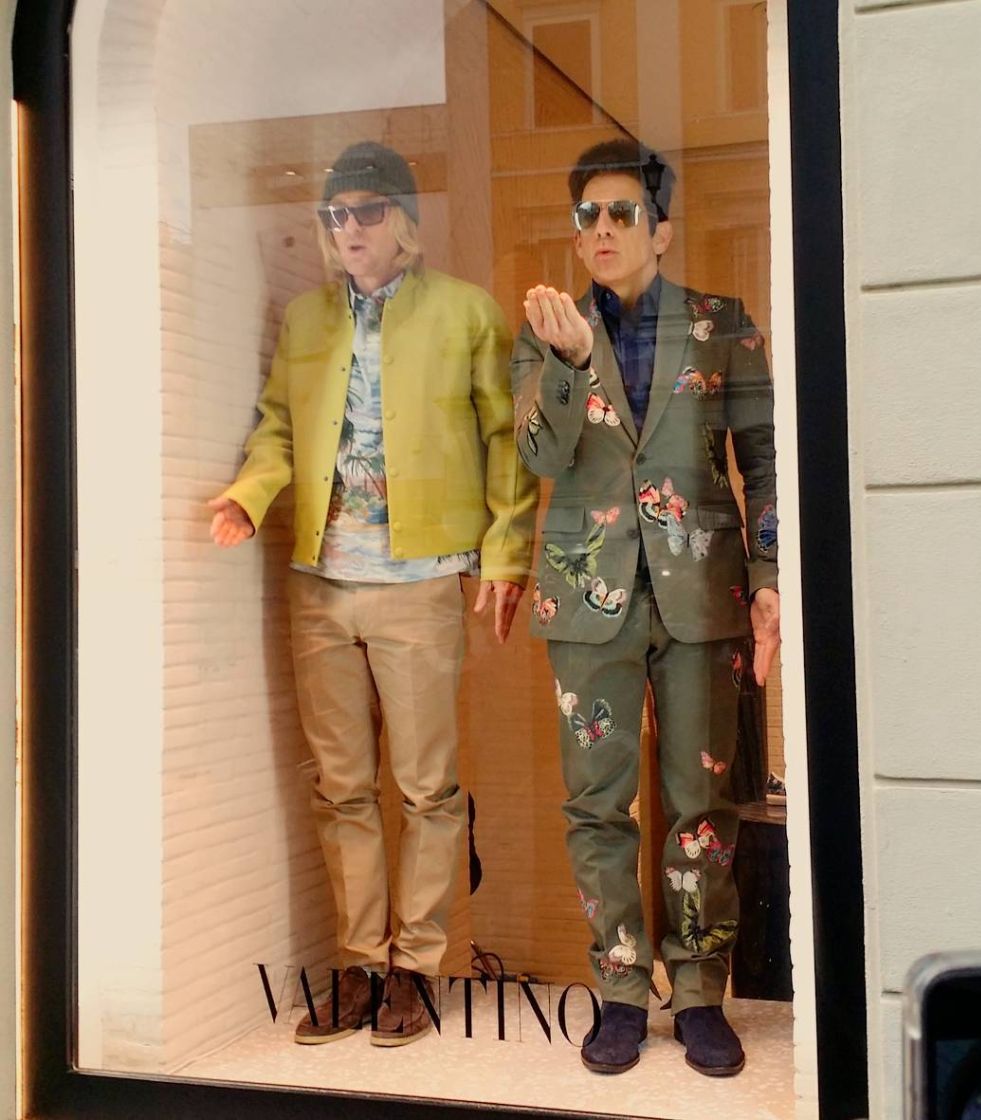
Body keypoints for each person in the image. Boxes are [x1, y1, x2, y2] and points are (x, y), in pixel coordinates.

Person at [209, 142, 537, 1048]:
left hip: (420, 582)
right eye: (335, 215)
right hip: (320, 583)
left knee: (427, 787)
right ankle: (358, 965)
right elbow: (278, 425)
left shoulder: (465, 312)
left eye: (366, 211)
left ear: (405, 222)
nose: (348, 228)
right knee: (340, 787)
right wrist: (250, 495)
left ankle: (416, 968)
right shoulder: (306, 319)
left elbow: (507, 441)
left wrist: (506, 556)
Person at [511, 138, 780, 1076]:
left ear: (661, 230)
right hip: (589, 597)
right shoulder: (546, 330)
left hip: (704, 593)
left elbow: (766, 461)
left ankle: (700, 992)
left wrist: (770, 575)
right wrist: (570, 362)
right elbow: (541, 456)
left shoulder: (722, 324)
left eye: (623, 212)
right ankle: (621, 989)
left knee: (703, 803)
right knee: (597, 805)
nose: (603, 229)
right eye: (588, 214)